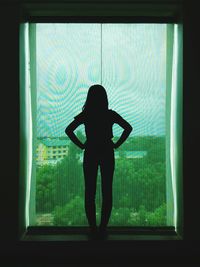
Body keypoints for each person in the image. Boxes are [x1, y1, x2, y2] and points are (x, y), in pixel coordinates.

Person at [65, 84, 132, 238]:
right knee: (107, 191)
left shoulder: (86, 115)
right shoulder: (110, 114)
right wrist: (117, 144)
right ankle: (103, 229)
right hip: (107, 151)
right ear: (104, 98)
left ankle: (93, 229)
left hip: (91, 151)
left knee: (90, 191)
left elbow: (68, 130)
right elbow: (128, 128)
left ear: (89, 98)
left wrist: (81, 145)